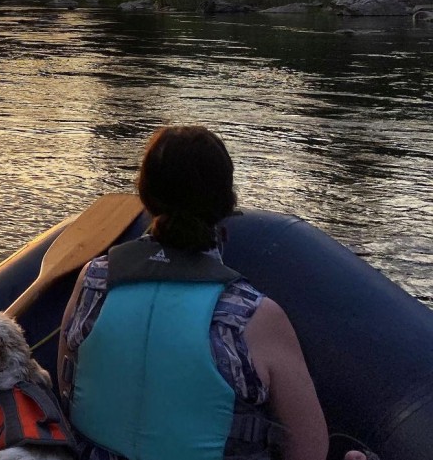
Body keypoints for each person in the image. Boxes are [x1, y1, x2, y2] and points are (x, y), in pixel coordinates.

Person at [57, 125, 370, 460]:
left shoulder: (93, 280)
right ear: (226, 202)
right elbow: (310, 448)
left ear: (145, 196)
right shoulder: (253, 318)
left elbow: (65, 389)